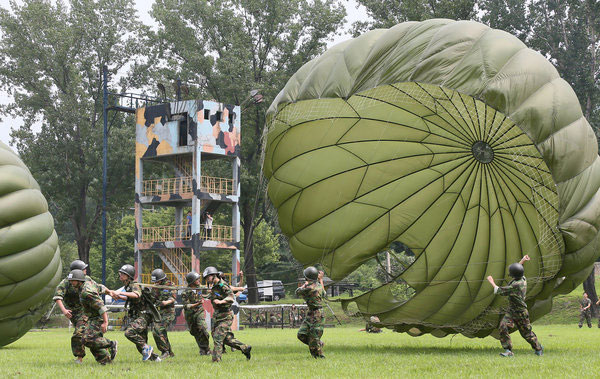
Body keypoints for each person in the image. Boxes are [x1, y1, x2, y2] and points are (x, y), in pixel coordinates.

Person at [486, 255, 543, 357]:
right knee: (503, 326)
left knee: (526, 334)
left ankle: (538, 348)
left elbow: (499, 290)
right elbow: (518, 270)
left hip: (521, 312)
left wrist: (491, 281)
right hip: (512, 311)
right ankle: (508, 351)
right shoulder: (523, 278)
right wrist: (522, 261)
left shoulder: (516, 285)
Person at [111, 264, 161, 362]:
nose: (120, 275)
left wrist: (120, 293)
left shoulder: (134, 285)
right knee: (141, 345)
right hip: (138, 315)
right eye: (120, 273)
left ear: (128, 275)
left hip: (143, 315)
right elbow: (131, 297)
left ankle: (147, 348)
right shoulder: (128, 286)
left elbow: (136, 295)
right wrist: (121, 297)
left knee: (129, 332)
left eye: (123, 273)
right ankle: (156, 359)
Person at [68, 269, 117, 365]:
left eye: (73, 280)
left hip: (97, 318)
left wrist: (105, 322)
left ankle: (111, 344)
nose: (71, 283)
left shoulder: (86, 292)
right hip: (91, 318)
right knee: (89, 339)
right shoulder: (88, 284)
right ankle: (105, 360)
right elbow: (101, 287)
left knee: (87, 339)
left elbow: (101, 306)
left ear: (79, 280)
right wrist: (110, 292)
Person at [203, 266, 252, 362]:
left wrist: (221, 302)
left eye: (207, 277)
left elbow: (231, 297)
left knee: (218, 337)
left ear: (213, 275)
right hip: (217, 316)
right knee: (226, 339)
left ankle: (216, 360)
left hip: (225, 316)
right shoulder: (214, 286)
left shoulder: (223, 285)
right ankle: (244, 348)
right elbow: (210, 296)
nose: (207, 280)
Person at [53, 260, 93, 363]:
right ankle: (109, 345)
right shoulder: (66, 282)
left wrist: (111, 292)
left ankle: (79, 359)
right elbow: (58, 296)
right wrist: (64, 310)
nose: (85, 270)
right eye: (83, 269)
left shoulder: (87, 279)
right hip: (73, 314)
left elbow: (98, 288)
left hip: (85, 311)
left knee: (78, 334)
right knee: (88, 336)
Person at [295, 266, 326, 358]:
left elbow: (297, 292)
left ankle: (319, 356)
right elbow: (324, 293)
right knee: (301, 334)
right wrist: (321, 280)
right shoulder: (318, 286)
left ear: (306, 277)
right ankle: (317, 344)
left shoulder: (308, 288)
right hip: (311, 313)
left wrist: (304, 284)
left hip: (317, 314)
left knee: (314, 335)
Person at [182, 271, 211, 355]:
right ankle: (202, 349)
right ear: (191, 281)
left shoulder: (201, 288)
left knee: (202, 328)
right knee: (195, 332)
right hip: (190, 314)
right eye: (196, 279)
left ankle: (207, 348)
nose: (199, 280)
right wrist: (197, 303)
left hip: (199, 311)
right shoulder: (185, 292)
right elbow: (186, 306)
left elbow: (209, 292)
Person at [150, 269, 176, 358]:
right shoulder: (155, 287)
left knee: (157, 330)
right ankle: (170, 352)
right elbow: (152, 298)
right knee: (162, 332)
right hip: (159, 313)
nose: (156, 283)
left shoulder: (170, 285)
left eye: (157, 281)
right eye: (155, 281)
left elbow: (173, 297)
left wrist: (166, 302)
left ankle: (165, 351)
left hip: (168, 312)